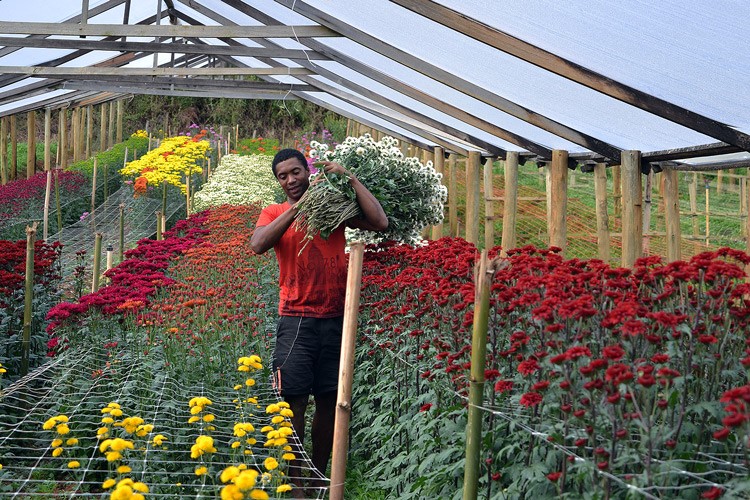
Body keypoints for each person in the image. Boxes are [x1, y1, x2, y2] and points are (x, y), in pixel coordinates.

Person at [250, 148, 388, 487]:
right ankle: (295, 482)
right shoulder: (275, 211)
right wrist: (298, 208)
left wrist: (350, 178)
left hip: (336, 318)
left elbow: (379, 222)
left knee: (329, 400)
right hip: (295, 320)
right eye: (283, 176)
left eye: (295, 172)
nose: (290, 180)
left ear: (307, 171)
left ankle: (317, 477)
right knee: (293, 401)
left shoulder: (330, 212)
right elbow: (258, 244)